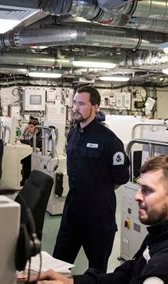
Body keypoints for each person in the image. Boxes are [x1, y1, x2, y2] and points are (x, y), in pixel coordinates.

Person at [35, 155, 168, 283]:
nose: (137, 196)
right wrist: (73, 282)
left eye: (147, 190)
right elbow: (129, 272)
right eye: (139, 187)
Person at [53, 86, 129, 273]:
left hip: (99, 215)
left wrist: (99, 189)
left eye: (81, 104)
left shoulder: (109, 140)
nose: (75, 108)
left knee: (97, 270)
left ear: (95, 107)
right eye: (74, 103)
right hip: (73, 210)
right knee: (59, 264)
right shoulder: (72, 134)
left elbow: (121, 176)